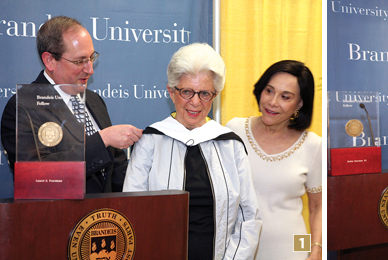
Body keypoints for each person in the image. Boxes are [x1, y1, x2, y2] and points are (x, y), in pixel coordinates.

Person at [123, 43, 261, 260]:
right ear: (171, 91)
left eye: (205, 93)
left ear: (215, 95)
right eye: (187, 91)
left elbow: (248, 217)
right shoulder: (149, 142)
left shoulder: (231, 146)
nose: (195, 102)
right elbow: (132, 213)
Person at [0, 16, 142, 193]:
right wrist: (102, 139)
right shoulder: (23, 107)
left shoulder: (94, 100)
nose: (90, 69)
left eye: (91, 58)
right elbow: (37, 177)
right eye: (79, 61)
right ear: (50, 61)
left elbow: (116, 169)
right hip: (58, 218)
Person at [226, 60, 322, 260]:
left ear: (300, 104)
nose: (273, 102)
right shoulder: (234, 130)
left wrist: (315, 251)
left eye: (285, 97)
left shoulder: (313, 145)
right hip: (237, 246)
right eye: (269, 91)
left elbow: (317, 206)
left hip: (293, 245)